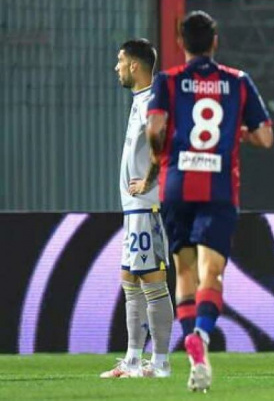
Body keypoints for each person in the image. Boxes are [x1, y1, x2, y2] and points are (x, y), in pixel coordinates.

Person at [140, 10, 273, 392]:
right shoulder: (238, 81)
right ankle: (201, 333)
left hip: (176, 186)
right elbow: (265, 138)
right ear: (215, 42)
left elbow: (154, 129)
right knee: (211, 273)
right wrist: (237, 133)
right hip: (218, 188)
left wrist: (160, 156)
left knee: (184, 273)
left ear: (180, 42)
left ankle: (195, 353)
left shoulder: (167, 81)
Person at [101, 39, 174, 379]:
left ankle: (160, 363)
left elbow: (163, 144)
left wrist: (147, 182)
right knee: (130, 280)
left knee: (153, 282)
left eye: (120, 61)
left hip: (147, 208)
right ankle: (132, 360)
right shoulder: (141, 100)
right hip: (134, 210)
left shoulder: (152, 102)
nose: (116, 67)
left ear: (134, 65)